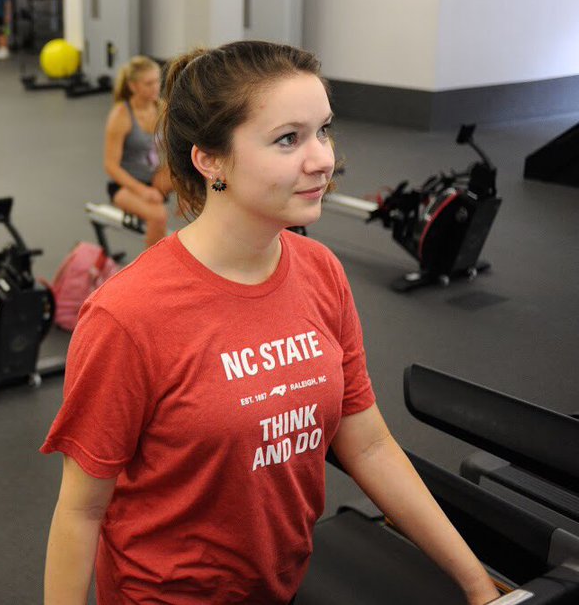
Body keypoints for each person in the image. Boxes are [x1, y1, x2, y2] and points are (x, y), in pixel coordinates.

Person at [41, 41, 500, 605]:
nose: (322, 159)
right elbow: (81, 511)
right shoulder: (127, 315)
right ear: (210, 161)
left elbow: (370, 446)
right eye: (288, 138)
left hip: (280, 583)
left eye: (323, 131)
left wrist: (481, 588)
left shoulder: (320, 271)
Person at [103, 56, 172, 247]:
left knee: (200, 179)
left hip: (153, 176)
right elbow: (110, 166)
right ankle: (152, 266)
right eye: (148, 83)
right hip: (125, 185)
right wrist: (143, 191)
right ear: (133, 86)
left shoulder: (161, 108)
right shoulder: (121, 115)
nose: (156, 87)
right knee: (158, 216)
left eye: (157, 81)